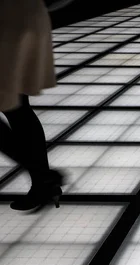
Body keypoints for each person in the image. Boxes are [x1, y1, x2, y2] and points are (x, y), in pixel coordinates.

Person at [0, 0, 64, 212]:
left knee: (15, 106)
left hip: (5, 22)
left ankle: (43, 178)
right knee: (17, 107)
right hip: (27, 15)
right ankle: (42, 182)